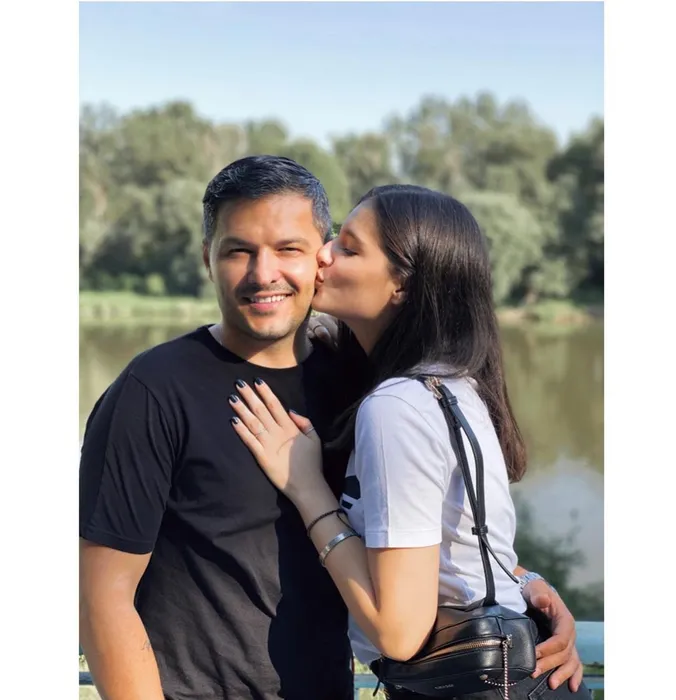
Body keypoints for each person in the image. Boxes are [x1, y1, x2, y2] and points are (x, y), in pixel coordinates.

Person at [79, 157, 584, 700]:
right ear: (208, 259)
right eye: (238, 251)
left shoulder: (367, 388)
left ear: (318, 256)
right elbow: (100, 596)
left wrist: (527, 588)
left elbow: (425, 536)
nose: (263, 273)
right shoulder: (153, 390)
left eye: (288, 249)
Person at [227, 183, 592, 699]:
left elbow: (398, 634)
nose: (322, 253)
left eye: (349, 248)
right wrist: (533, 585)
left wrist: (306, 487)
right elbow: (462, 540)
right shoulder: (453, 385)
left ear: (401, 284)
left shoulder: (396, 406)